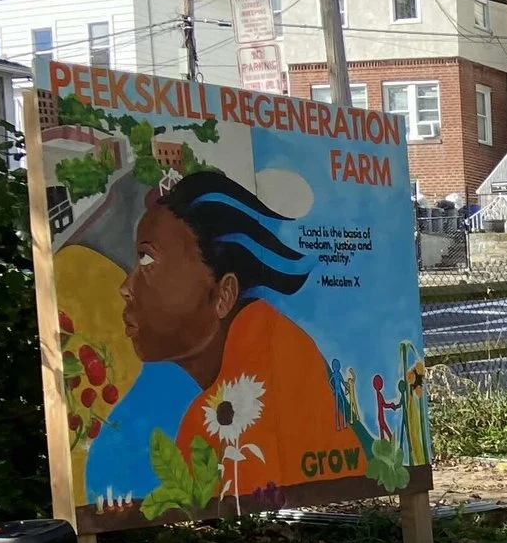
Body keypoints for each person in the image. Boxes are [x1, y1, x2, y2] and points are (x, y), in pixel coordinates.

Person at [122, 170, 359, 503]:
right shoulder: (272, 340)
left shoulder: (215, 420)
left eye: (147, 259)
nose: (126, 288)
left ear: (224, 295)